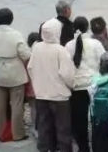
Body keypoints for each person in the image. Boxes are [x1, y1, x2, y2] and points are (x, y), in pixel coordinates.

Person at [27, 18, 76, 152]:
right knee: (63, 129)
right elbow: (67, 75)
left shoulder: (37, 48)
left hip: (41, 95)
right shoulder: (61, 50)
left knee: (44, 128)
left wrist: (37, 84)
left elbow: (30, 68)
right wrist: (71, 86)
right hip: (60, 97)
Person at [0, 8, 31, 143]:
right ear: (11, 19)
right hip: (15, 73)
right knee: (17, 104)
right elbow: (25, 54)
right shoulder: (16, 35)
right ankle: (18, 134)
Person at [66, 17, 106, 152]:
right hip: (94, 86)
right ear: (88, 27)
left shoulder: (68, 46)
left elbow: (66, 67)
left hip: (77, 87)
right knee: (96, 119)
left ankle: (83, 148)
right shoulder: (96, 44)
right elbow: (104, 62)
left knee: (80, 121)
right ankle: (98, 146)